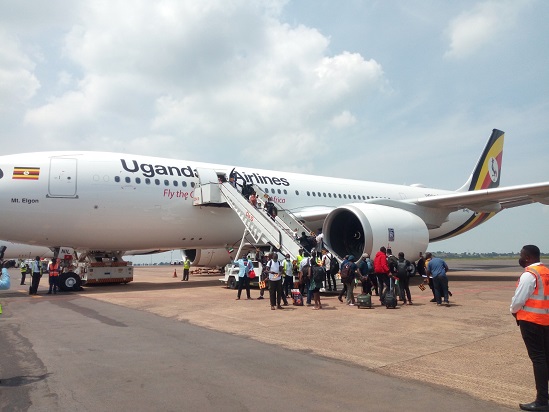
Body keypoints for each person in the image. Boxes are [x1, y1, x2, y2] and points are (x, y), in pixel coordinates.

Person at [510, 245, 549, 411]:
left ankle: (542, 401)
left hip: (531, 321)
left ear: (528, 257)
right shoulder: (545, 272)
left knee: (538, 359)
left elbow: (519, 300)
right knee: (546, 358)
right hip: (545, 320)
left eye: (521, 255)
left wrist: (513, 310)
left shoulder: (529, 275)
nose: (520, 257)